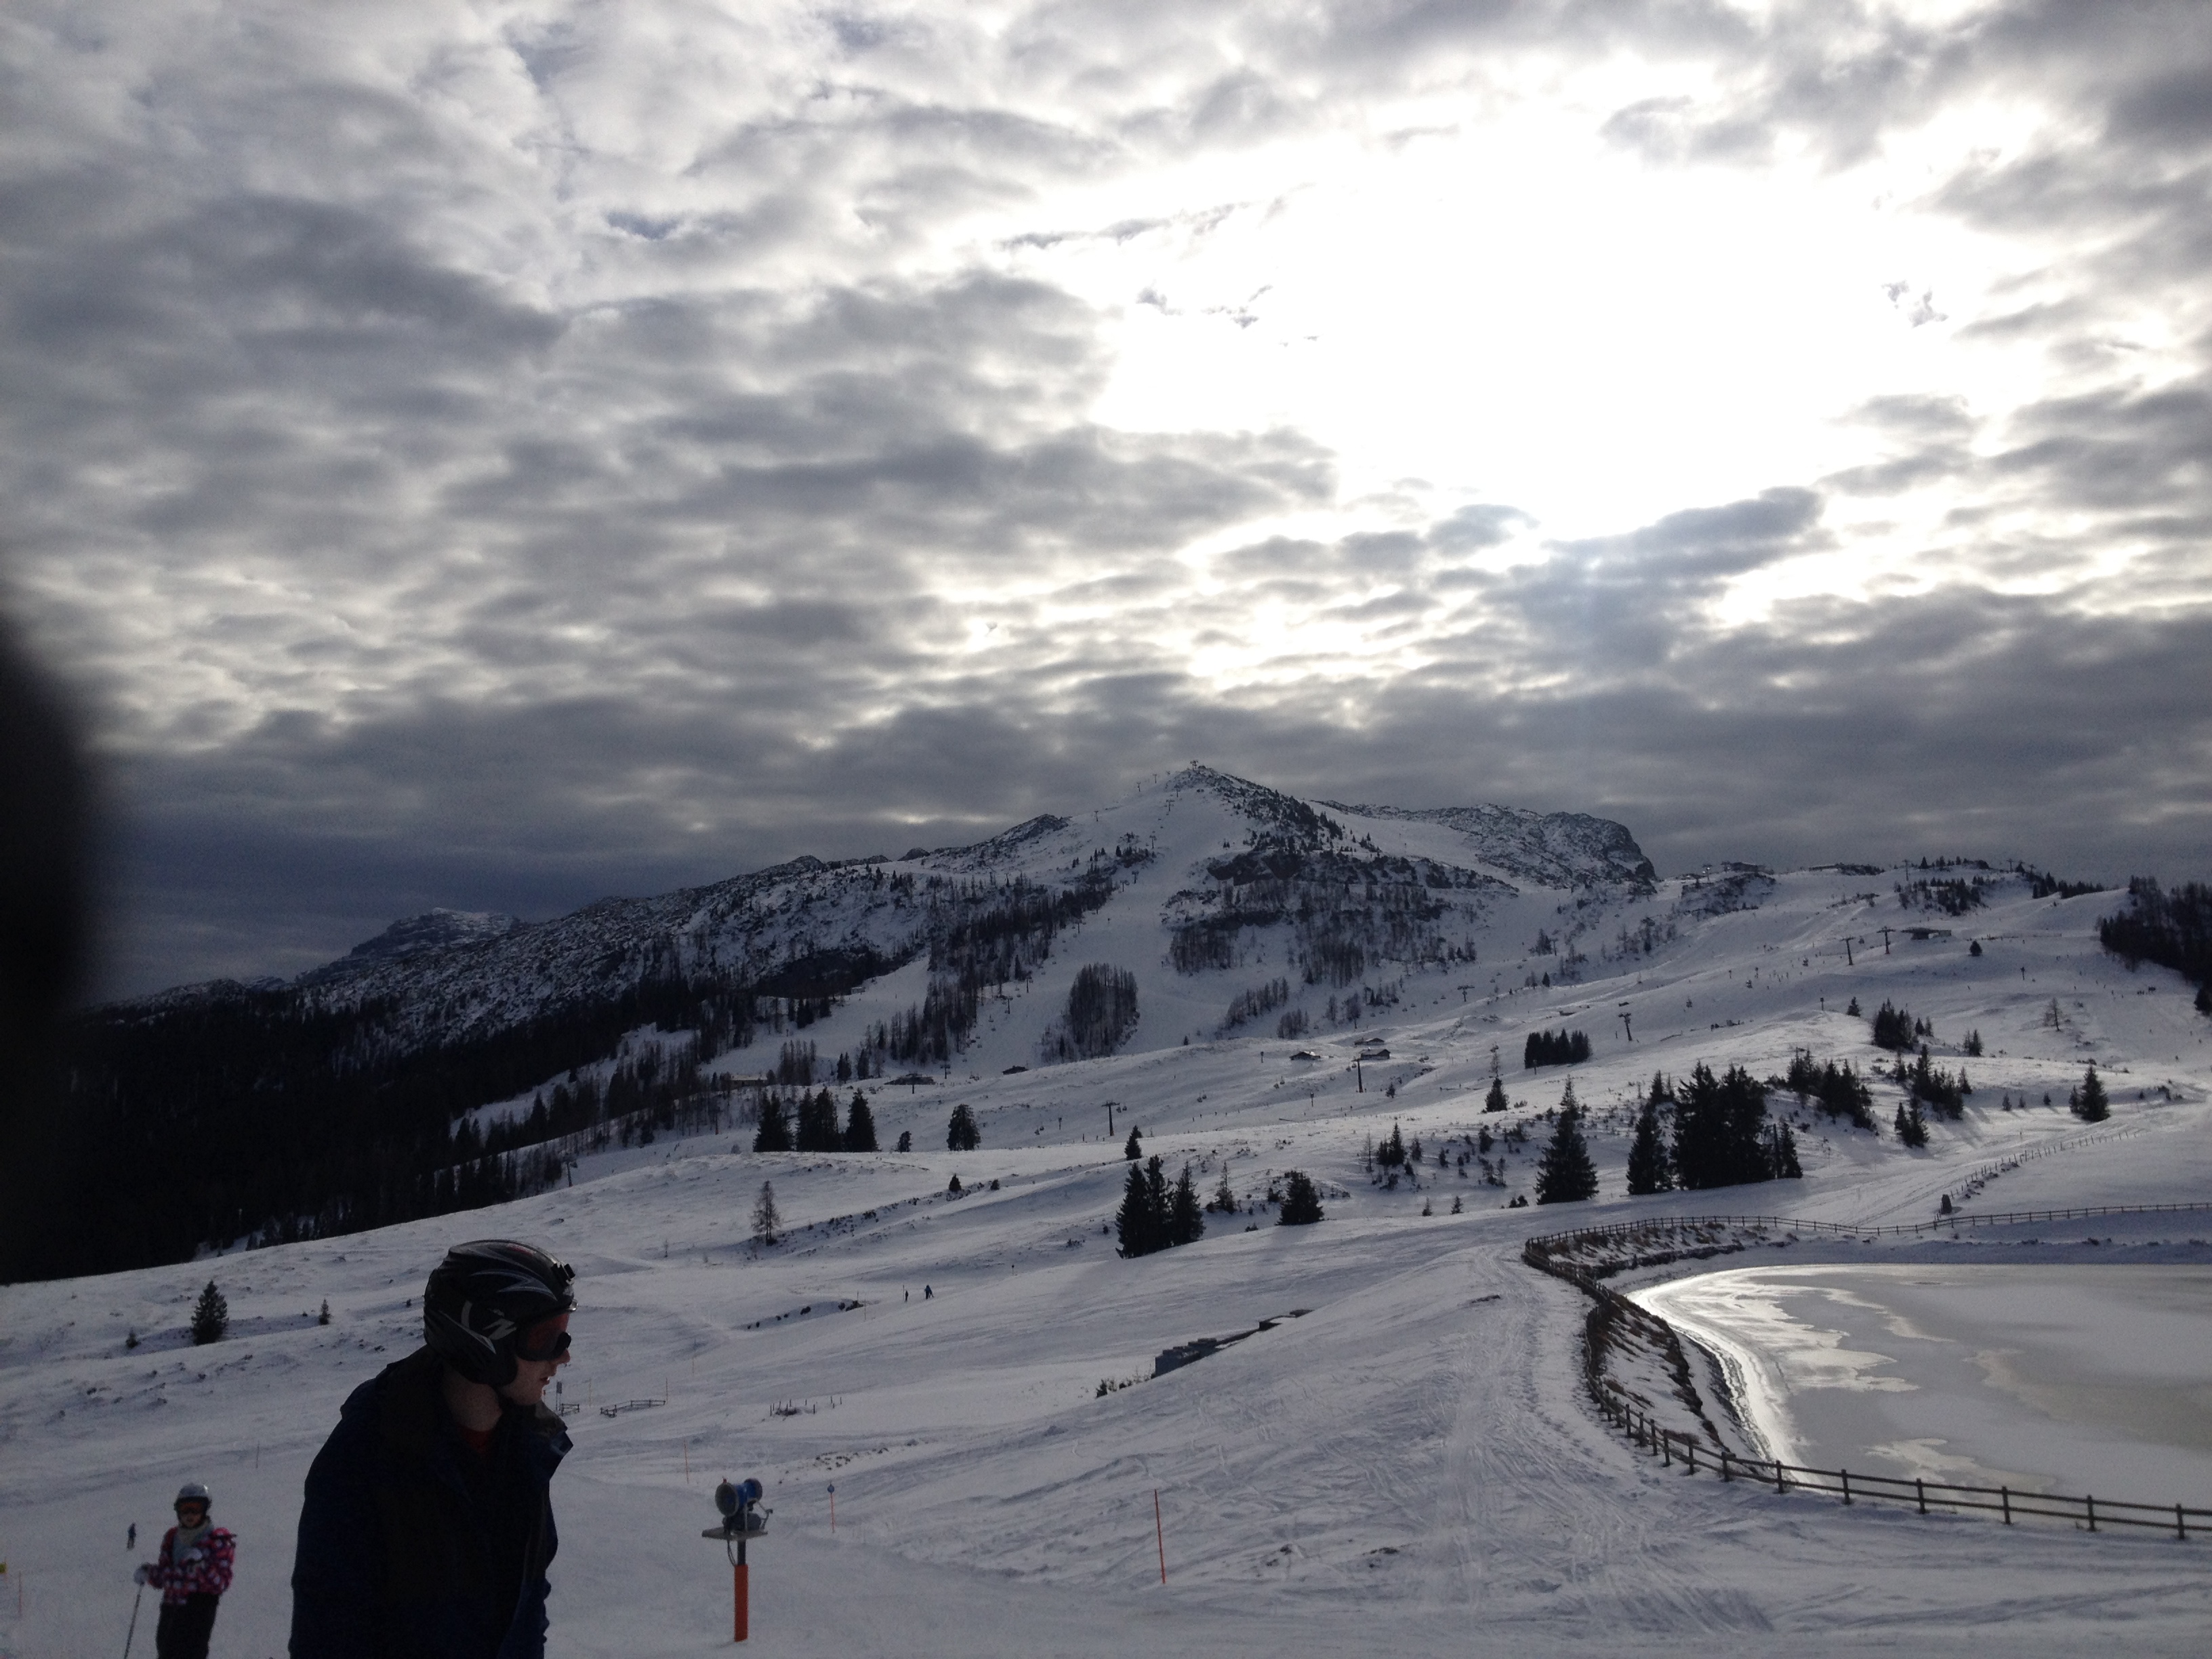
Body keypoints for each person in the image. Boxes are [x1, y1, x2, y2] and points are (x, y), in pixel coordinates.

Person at [289, 1240, 575, 1658]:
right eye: (545, 1337)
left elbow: (527, 1606)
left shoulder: (528, 1448)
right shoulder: (364, 1461)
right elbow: (329, 1638)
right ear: (482, 1339)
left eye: (563, 1330)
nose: (563, 1356)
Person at [134, 1481, 234, 1659]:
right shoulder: (172, 1538)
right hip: (170, 1610)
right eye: (185, 1509)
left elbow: (221, 1583)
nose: (190, 1515)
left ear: (205, 1510)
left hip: (198, 1610)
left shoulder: (217, 1541)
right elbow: (166, 1576)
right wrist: (149, 1573)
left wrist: (201, 1567)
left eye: (196, 1508)